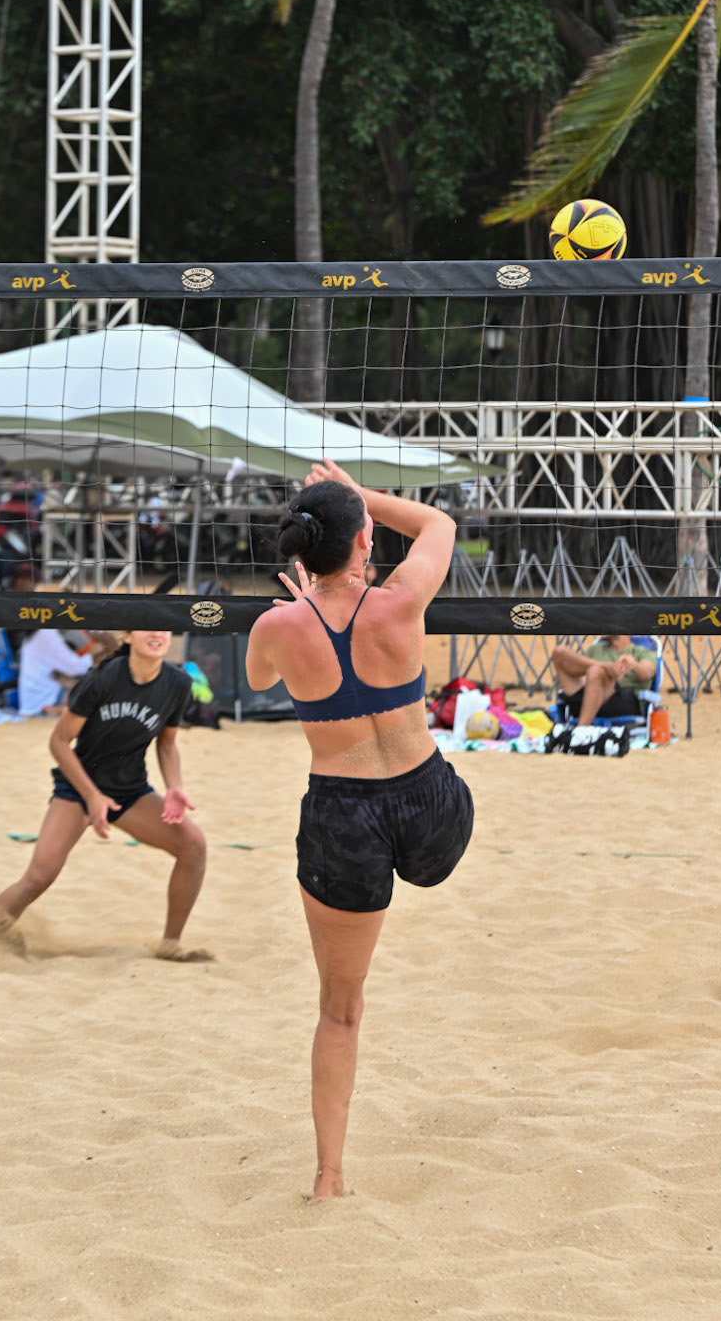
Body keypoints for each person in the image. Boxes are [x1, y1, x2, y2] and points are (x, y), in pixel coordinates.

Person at [246, 459, 473, 1201]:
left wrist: (300, 611)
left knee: (340, 1008)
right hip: (430, 808)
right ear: (363, 540)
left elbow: (255, 681)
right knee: (440, 828)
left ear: (302, 554)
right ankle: (424, 862)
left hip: (342, 815)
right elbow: (437, 524)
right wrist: (360, 496)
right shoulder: (401, 599)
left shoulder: (275, 626)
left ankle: (328, 1176)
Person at [0, 628, 207, 959]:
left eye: (164, 628)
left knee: (194, 846)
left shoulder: (177, 683)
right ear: (128, 637)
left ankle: (170, 944)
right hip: (77, 788)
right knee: (39, 876)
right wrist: (91, 796)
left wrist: (175, 787)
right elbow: (58, 742)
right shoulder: (103, 678)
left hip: (129, 792)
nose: (157, 633)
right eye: (147, 628)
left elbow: (167, 742)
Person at [550, 633, 658, 724]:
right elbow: (581, 674)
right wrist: (608, 668)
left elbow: (648, 672)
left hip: (622, 703)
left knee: (595, 671)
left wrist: (634, 665)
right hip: (588, 698)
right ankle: (604, 667)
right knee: (559, 652)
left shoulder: (641, 651)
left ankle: (581, 729)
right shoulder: (595, 649)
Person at [17, 622, 93, 717]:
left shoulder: (35, 634)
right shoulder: (47, 634)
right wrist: (91, 653)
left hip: (33, 703)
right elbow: (79, 668)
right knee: (84, 682)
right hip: (43, 705)